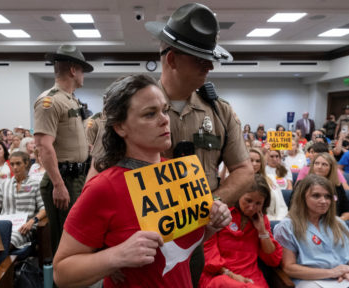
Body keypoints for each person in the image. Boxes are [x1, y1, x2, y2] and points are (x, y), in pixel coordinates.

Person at [53, 74, 231, 287]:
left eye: (164, 110)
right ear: (120, 127)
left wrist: (212, 223)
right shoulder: (104, 187)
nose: (165, 119)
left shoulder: (179, 173)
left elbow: (180, 246)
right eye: (150, 114)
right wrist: (116, 256)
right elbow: (61, 273)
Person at [145, 4, 254, 286]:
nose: (210, 66)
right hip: (141, 238)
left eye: (210, 58)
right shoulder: (133, 107)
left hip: (195, 239)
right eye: (200, 60)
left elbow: (243, 169)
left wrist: (214, 202)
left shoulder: (220, 111)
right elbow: (102, 174)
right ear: (171, 59)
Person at [34, 44, 93, 255]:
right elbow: (43, 146)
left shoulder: (71, 100)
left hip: (77, 177)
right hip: (62, 180)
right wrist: (58, 185)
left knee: (78, 238)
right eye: (82, 69)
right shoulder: (49, 101)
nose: (83, 74)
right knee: (65, 244)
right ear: (73, 70)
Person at [199, 174, 282, 288]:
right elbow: (208, 251)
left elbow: (273, 260)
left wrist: (262, 231)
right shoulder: (222, 212)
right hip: (219, 275)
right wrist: (230, 275)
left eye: (258, 203)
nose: (252, 207)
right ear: (238, 195)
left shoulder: (261, 220)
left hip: (251, 278)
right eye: (248, 200)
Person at [273, 174, 349, 288]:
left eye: (328, 196)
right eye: (316, 196)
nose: (324, 201)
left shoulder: (339, 223)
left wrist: (345, 272)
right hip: (311, 281)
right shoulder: (287, 227)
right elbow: (289, 268)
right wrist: (332, 272)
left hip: (343, 278)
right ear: (303, 197)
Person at [0, 151, 46, 249]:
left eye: (18, 163)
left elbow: (44, 209)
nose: (15, 167)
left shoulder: (35, 184)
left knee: (4, 243)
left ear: (26, 164)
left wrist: (32, 221)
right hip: (3, 226)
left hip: (25, 227)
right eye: (12, 164)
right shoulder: (4, 185)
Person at [304, 153, 349, 220]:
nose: (319, 167)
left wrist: (338, 221)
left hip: (334, 223)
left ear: (331, 168)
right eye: (316, 163)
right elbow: (293, 209)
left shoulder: (337, 187)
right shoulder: (303, 185)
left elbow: (346, 211)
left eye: (324, 164)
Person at [250, 148, 288, 220]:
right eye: (251, 160)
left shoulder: (271, 179)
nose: (254, 164)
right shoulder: (239, 182)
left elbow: (281, 205)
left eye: (258, 161)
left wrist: (278, 221)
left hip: (274, 219)